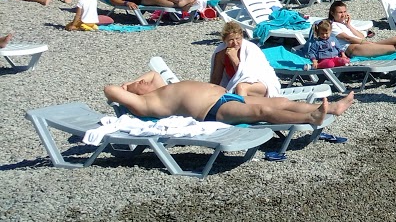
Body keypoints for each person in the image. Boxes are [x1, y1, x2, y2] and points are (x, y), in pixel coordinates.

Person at [106, 71, 354, 126]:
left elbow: (154, 73)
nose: (144, 82)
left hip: (225, 97)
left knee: (280, 102)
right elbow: (110, 89)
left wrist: (139, 82)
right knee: (262, 114)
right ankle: (311, 117)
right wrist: (128, 86)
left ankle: (332, 107)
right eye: (139, 85)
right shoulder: (146, 102)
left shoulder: (157, 89)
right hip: (211, 111)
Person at [327, 1, 396, 58]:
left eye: (345, 11)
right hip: (352, 49)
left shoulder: (345, 24)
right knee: (394, 48)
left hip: (362, 43)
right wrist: (368, 43)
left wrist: (349, 25)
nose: (344, 14)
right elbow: (348, 38)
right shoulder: (332, 25)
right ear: (332, 13)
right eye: (340, 12)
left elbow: (360, 36)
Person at [209, 21, 281, 98]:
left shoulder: (250, 49)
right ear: (224, 40)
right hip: (239, 84)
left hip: (263, 83)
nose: (235, 43)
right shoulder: (221, 53)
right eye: (231, 40)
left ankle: (243, 109)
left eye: (238, 39)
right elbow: (216, 78)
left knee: (241, 87)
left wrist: (234, 59)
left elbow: (246, 76)